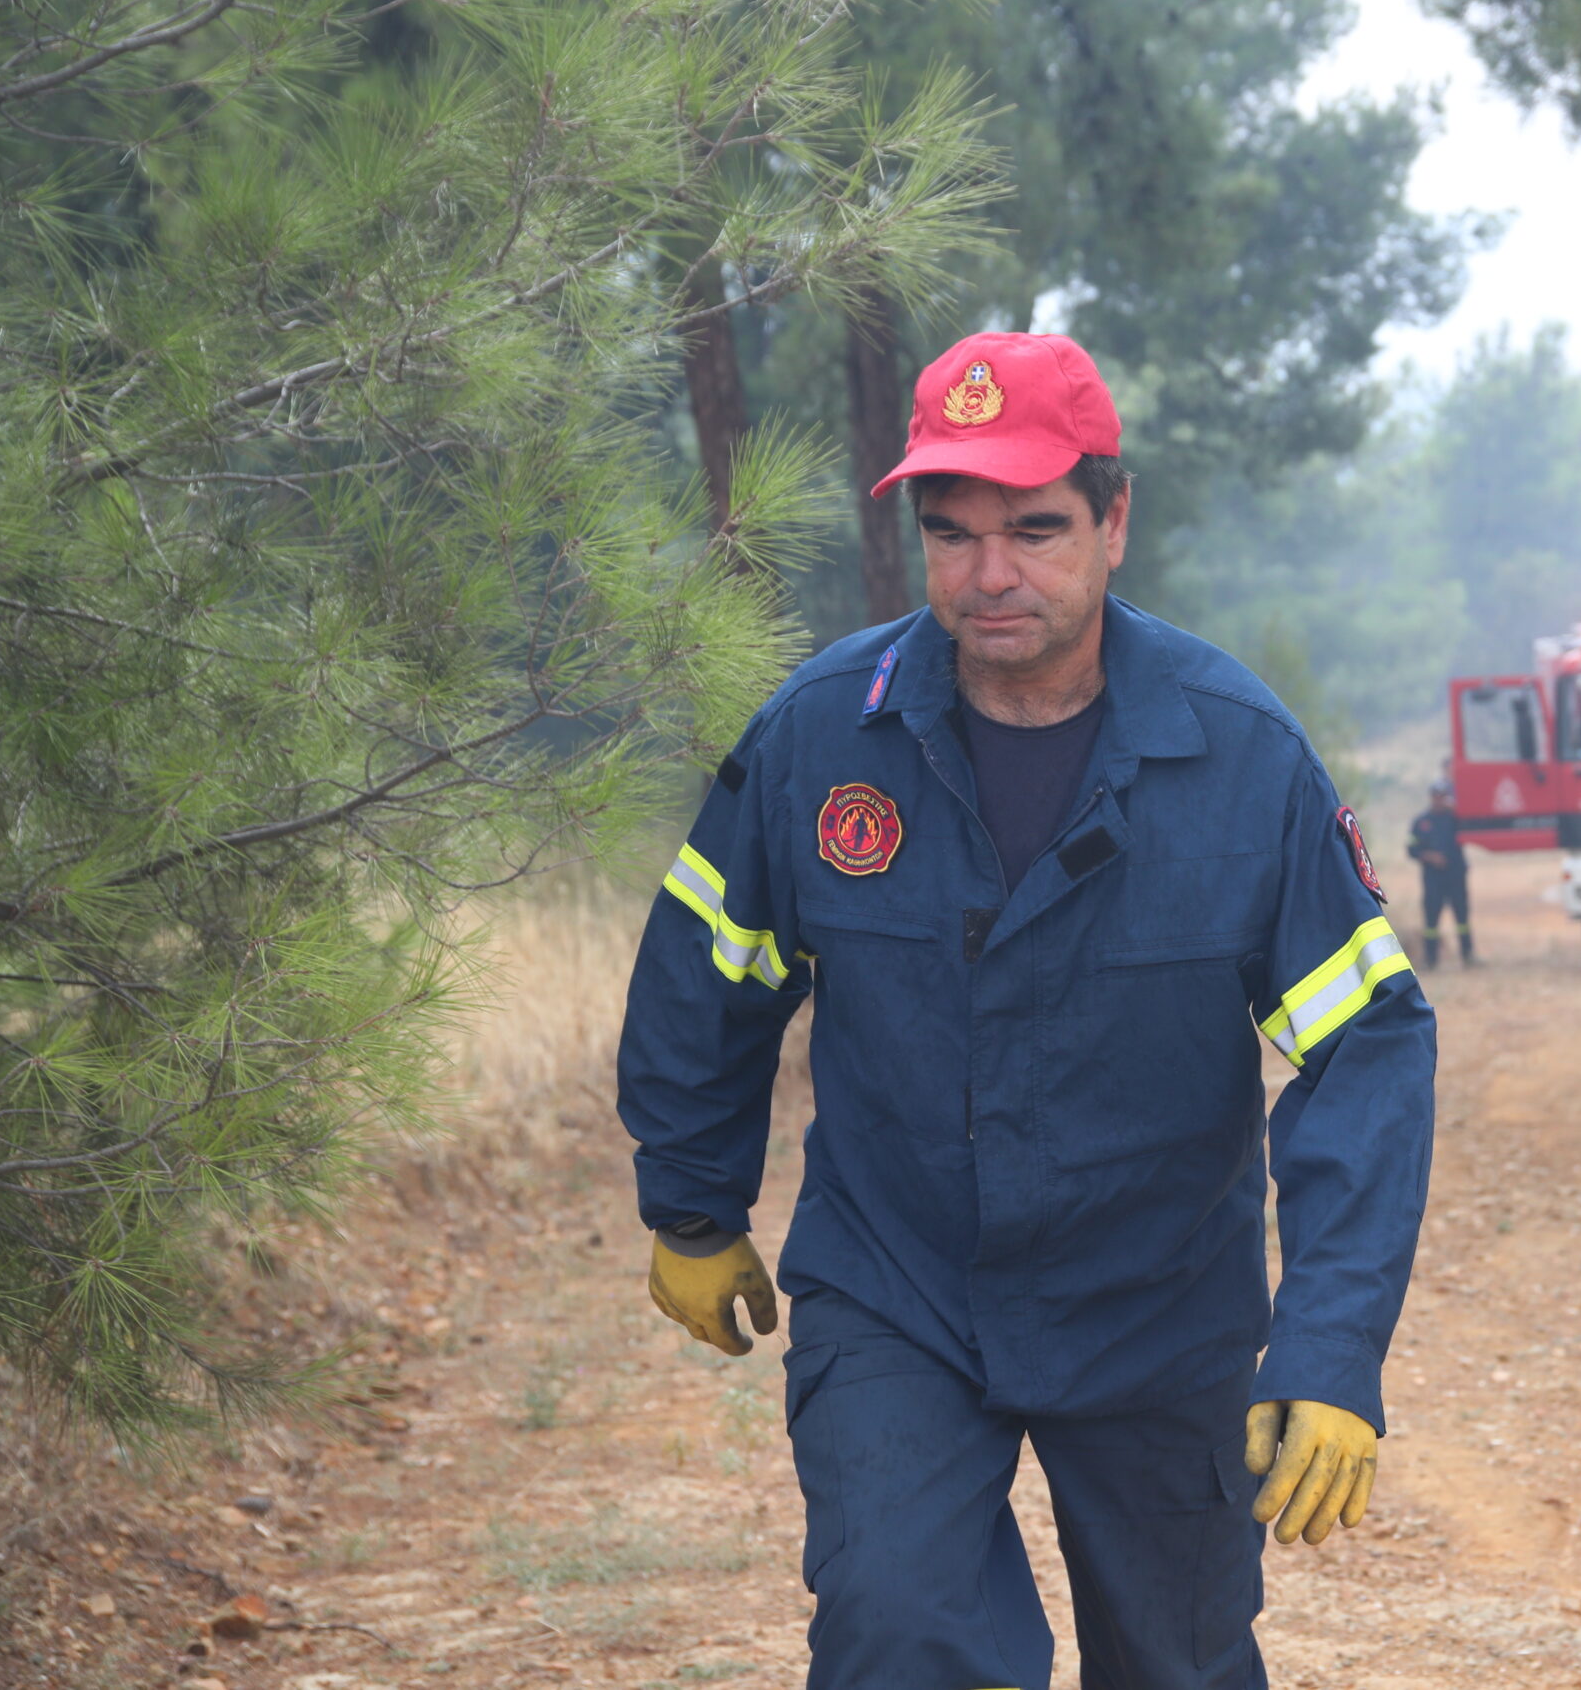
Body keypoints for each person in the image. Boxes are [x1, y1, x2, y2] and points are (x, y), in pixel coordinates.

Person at [614, 331, 1436, 1690]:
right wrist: (691, 1203)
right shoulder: (824, 735)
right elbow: (718, 959)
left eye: (1037, 530)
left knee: (1176, 1664)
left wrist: (1333, 1340)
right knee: (897, 1633)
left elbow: (1368, 1041)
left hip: (1160, 1309)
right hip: (900, 1287)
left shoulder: (1239, 758)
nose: (991, 576)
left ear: (1117, 521)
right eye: (954, 534)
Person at [1406, 778, 1474, 968]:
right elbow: (1411, 849)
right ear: (1431, 798)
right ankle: (1431, 960)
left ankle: (1468, 956)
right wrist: (1429, 856)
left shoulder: (1456, 819)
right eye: (1437, 796)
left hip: (1456, 876)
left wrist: (1457, 810)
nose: (1440, 800)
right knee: (1431, 921)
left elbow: (1473, 828)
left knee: (1462, 917)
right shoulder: (1421, 822)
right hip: (1433, 878)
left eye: (1444, 796)